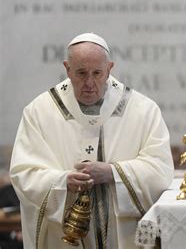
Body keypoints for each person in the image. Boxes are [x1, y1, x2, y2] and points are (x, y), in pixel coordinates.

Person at [10, 33, 174, 248]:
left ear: (109, 69)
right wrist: (62, 182)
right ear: (67, 69)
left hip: (121, 237)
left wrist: (112, 172)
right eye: (81, 73)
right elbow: (23, 174)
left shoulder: (143, 110)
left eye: (97, 73)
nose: (89, 82)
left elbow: (160, 170)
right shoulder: (39, 112)